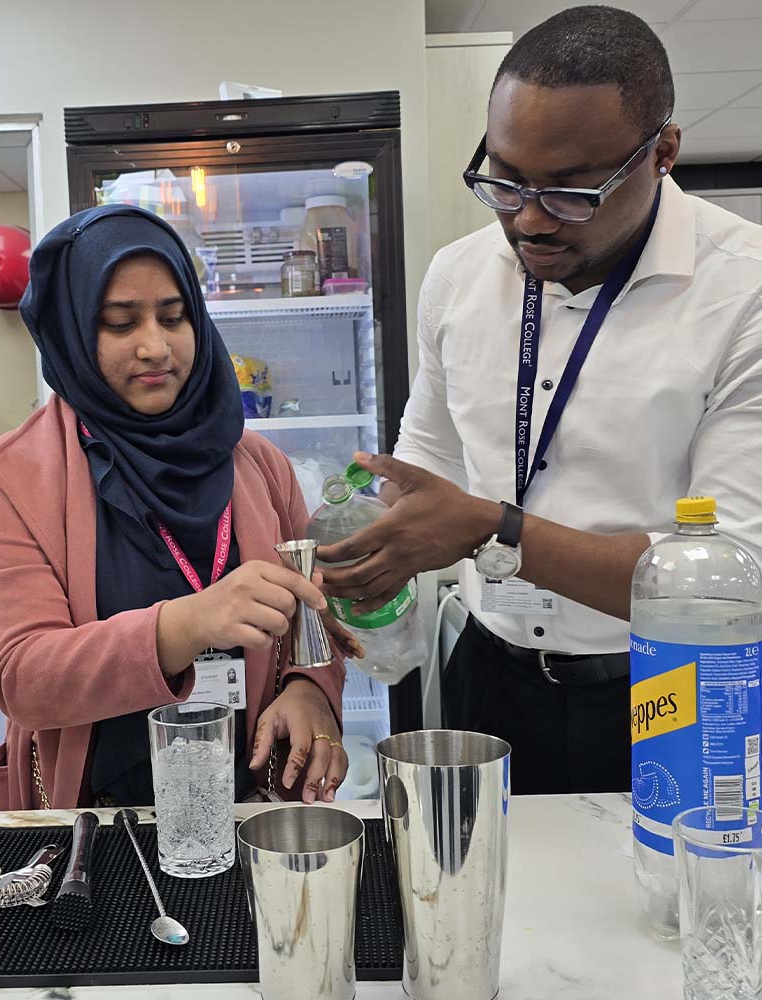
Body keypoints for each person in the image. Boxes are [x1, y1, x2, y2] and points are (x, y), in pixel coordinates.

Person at [319, 5, 762, 795]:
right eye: (504, 179)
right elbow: (430, 454)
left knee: (653, 900)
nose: (526, 219)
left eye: (569, 192)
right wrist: (373, 534)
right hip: (487, 670)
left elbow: (727, 574)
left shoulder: (743, 292)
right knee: (473, 898)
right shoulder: (459, 276)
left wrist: (496, 529)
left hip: (663, 685)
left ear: (662, 151)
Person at [0, 205, 348, 810]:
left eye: (174, 316)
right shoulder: (10, 478)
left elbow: (312, 618)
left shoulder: (257, 463)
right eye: (120, 323)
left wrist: (310, 689)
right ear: (72, 332)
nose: (155, 347)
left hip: (248, 804)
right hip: (92, 820)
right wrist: (187, 625)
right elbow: (22, 676)